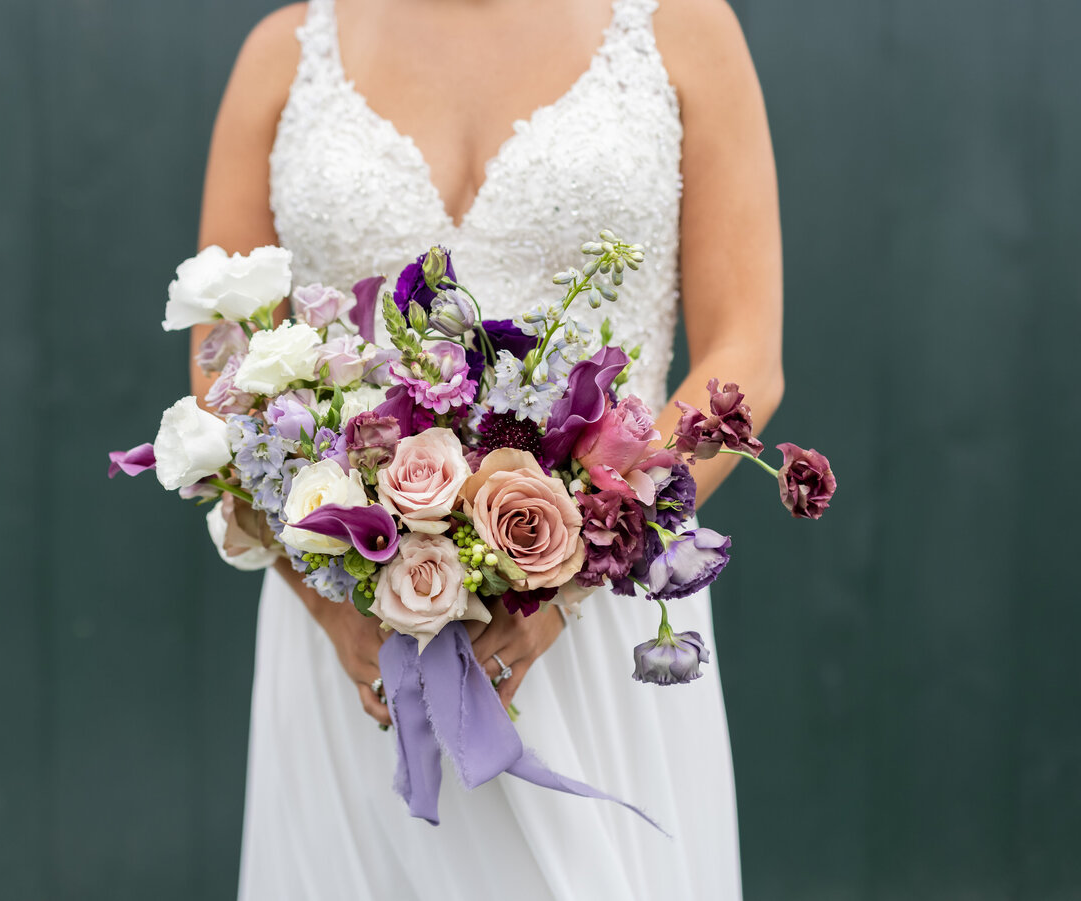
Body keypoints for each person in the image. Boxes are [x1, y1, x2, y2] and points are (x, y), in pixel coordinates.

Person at [192, 0, 783, 897]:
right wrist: (337, 611)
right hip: (350, 635)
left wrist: (568, 571)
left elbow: (745, 356)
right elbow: (220, 364)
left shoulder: (681, 30)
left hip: (599, 630)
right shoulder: (283, 54)